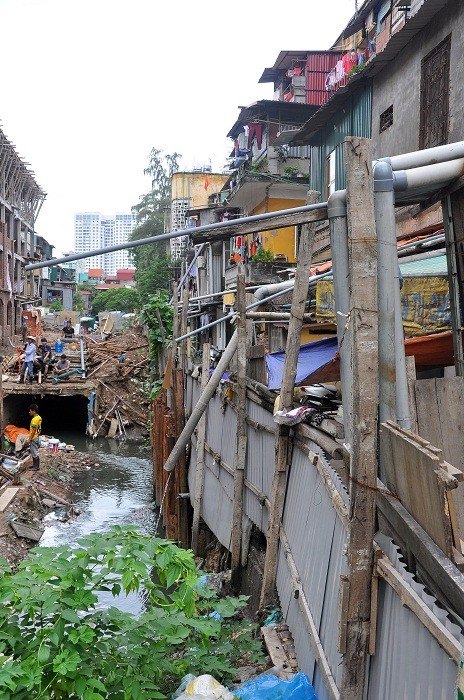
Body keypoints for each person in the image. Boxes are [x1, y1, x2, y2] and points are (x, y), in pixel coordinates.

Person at [28, 404, 42, 471]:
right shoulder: (39, 417)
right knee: (33, 452)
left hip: (34, 437)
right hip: (37, 436)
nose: (29, 412)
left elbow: (33, 431)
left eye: (30, 411)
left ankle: (36, 467)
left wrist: (30, 438)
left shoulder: (34, 419)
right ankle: (34, 465)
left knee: (34, 452)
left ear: (34, 411)